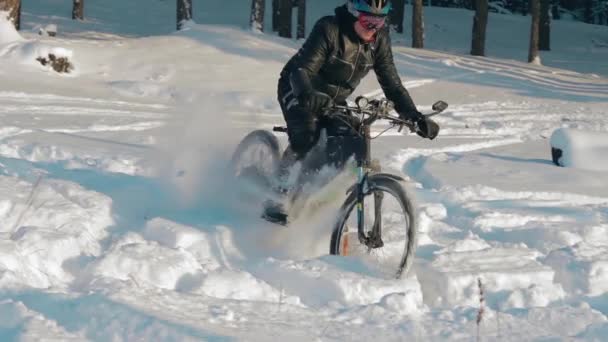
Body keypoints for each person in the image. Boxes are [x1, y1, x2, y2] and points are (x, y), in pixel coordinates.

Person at [264, 0, 439, 223]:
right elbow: (302, 70)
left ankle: (317, 198)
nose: (374, 28)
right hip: (298, 87)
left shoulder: (379, 40)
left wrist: (414, 116)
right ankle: (277, 192)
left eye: (380, 21)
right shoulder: (330, 29)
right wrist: (307, 94)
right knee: (306, 136)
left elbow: (392, 84)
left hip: (335, 99)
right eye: (368, 20)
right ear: (353, 14)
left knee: (349, 140)